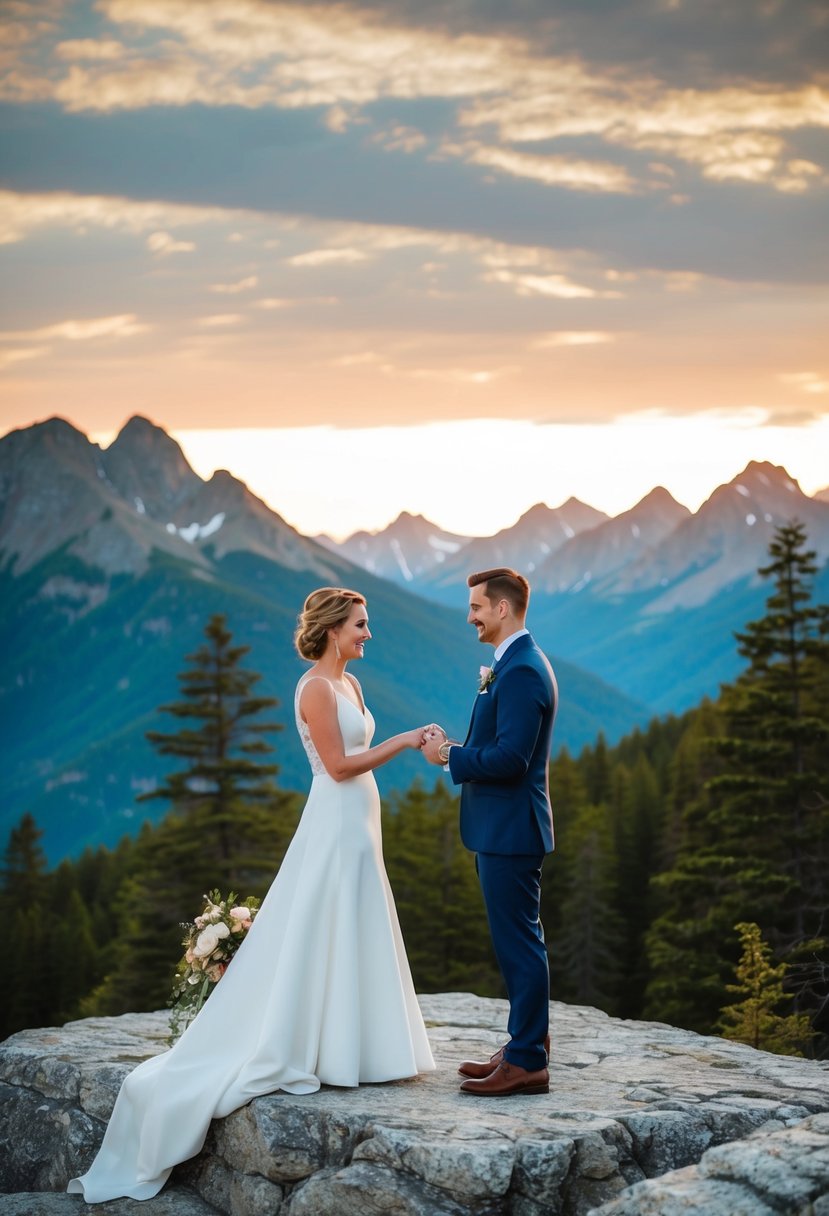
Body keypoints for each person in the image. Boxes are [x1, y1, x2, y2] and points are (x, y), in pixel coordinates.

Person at [68, 587, 435, 1203]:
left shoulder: (353, 686)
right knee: (324, 922)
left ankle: (360, 1044)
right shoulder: (315, 688)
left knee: (358, 922)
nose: (368, 634)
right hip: (333, 817)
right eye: (360, 625)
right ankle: (317, 1045)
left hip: (362, 823)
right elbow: (340, 766)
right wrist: (404, 741)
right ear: (331, 629)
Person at [422, 567, 556, 1097]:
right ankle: (525, 1046)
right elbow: (501, 746)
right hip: (502, 828)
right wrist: (456, 748)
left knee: (520, 945)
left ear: (502, 609)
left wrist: (449, 756)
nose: (471, 616)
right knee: (518, 942)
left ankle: (526, 1060)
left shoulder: (522, 669)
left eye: (477, 607)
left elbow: (510, 759)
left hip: (510, 831)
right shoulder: (516, 663)